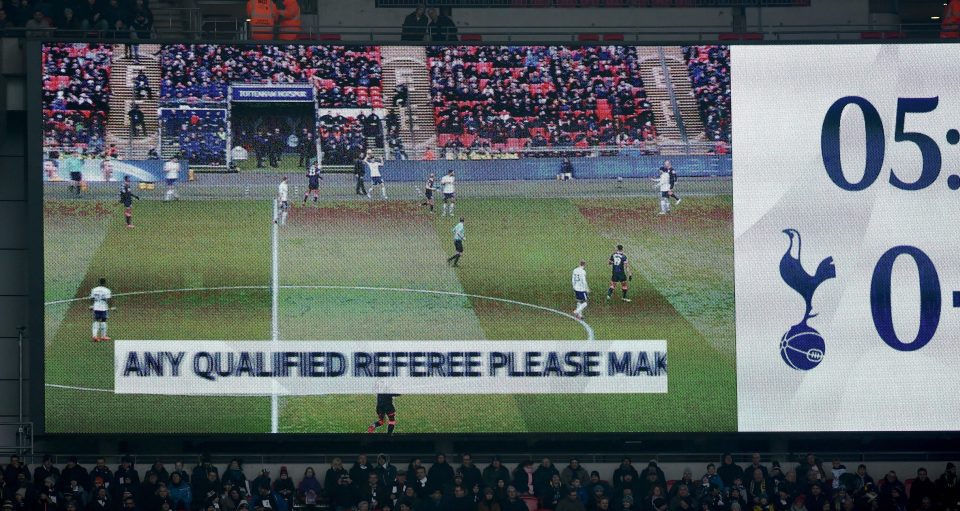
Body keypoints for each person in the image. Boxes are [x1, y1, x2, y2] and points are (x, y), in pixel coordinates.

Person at [90, 278, 112, 342]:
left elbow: (92, 298)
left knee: (96, 321)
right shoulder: (107, 290)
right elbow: (109, 299)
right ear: (104, 283)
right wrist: (111, 307)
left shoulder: (94, 289)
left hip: (96, 307)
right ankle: (103, 336)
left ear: (99, 282)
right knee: (103, 321)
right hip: (103, 307)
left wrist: (91, 305)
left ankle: (95, 336)